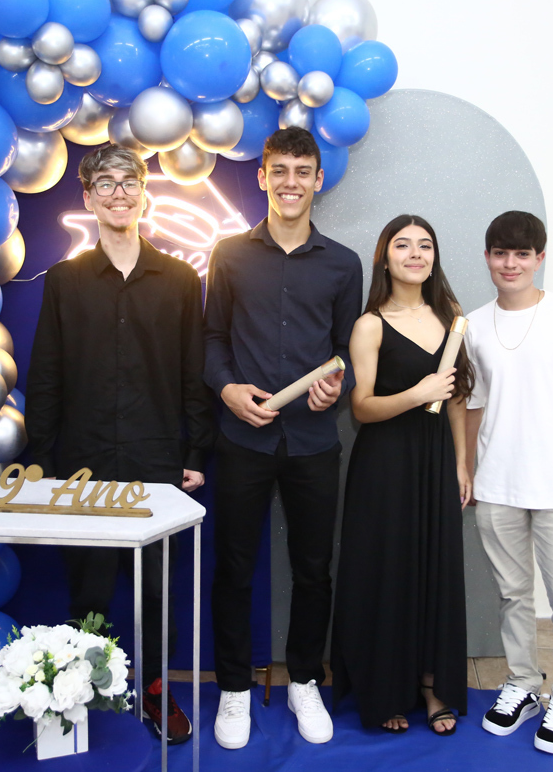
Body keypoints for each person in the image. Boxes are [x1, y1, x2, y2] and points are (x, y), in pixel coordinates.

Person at [24, 145, 214, 746]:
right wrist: (41, 461)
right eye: (104, 184)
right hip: (82, 462)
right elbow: (46, 376)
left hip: (156, 461)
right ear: (87, 198)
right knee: (90, 588)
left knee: (156, 589)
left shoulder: (179, 279)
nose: (118, 193)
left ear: (144, 193)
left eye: (128, 182)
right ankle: (86, 691)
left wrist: (195, 455)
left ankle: (155, 691)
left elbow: (193, 374)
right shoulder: (65, 280)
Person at [204, 127, 363, 749]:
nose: (291, 182)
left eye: (302, 171)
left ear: (318, 180)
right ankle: (234, 689)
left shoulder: (343, 264)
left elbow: (348, 349)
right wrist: (227, 390)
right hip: (242, 440)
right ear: (263, 177)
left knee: (314, 570)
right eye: (280, 170)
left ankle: (303, 680)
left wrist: (337, 386)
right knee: (234, 569)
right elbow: (212, 338)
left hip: (314, 441)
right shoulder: (229, 254)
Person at [464, 211, 553, 755]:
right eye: (501, 253)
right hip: (497, 483)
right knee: (512, 595)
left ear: (539, 258)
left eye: (522, 254)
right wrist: (466, 469)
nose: (511, 264)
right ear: (487, 257)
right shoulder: (473, 326)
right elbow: (472, 406)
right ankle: (523, 684)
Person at [331, 215, 473, 736]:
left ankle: (434, 688)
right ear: (385, 258)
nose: (415, 253)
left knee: (435, 570)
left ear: (434, 258)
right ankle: (386, 690)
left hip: (436, 461)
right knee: (387, 572)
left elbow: (456, 400)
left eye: (425, 245)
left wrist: (461, 463)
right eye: (403, 245)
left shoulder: (451, 316)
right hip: (385, 465)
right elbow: (362, 407)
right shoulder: (370, 324)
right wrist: (417, 394)